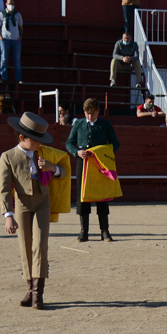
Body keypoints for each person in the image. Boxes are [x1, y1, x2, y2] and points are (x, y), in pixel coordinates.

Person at [0, 112, 60, 310]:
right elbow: (5, 189)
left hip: (43, 201)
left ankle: (37, 296)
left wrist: (53, 168)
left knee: (40, 245)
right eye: (36, 140)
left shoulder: (45, 153)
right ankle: (31, 290)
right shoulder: (7, 157)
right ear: (22, 138)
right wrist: (8, 215)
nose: (39, 144)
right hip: (22, 204)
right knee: (25, 246)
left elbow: (63, 171)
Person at [66, 98, 121, 243]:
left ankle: (105, 231)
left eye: (92, 113)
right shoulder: (78, 124)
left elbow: (115, 144)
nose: (89, 117)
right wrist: (77, 152)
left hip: (99, 166)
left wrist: (104, 156)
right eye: (87, 113)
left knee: (102, 197)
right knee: (82, 198)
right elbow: (69, 143)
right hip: (83, 165)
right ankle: (84, 231)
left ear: (98, 111)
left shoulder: (105, 125)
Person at [0, 0, 23, 84]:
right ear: (6, 4)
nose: (10, 5)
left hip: (16, 40)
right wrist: (0, 37)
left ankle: (18, 78)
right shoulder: (2, 14)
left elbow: (21, 27)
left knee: (17, 60)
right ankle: (3, 77)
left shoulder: (18, 15)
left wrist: (20, 37)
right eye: (9, 4)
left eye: (12, 4)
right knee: (4, 59)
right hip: (5, 40)